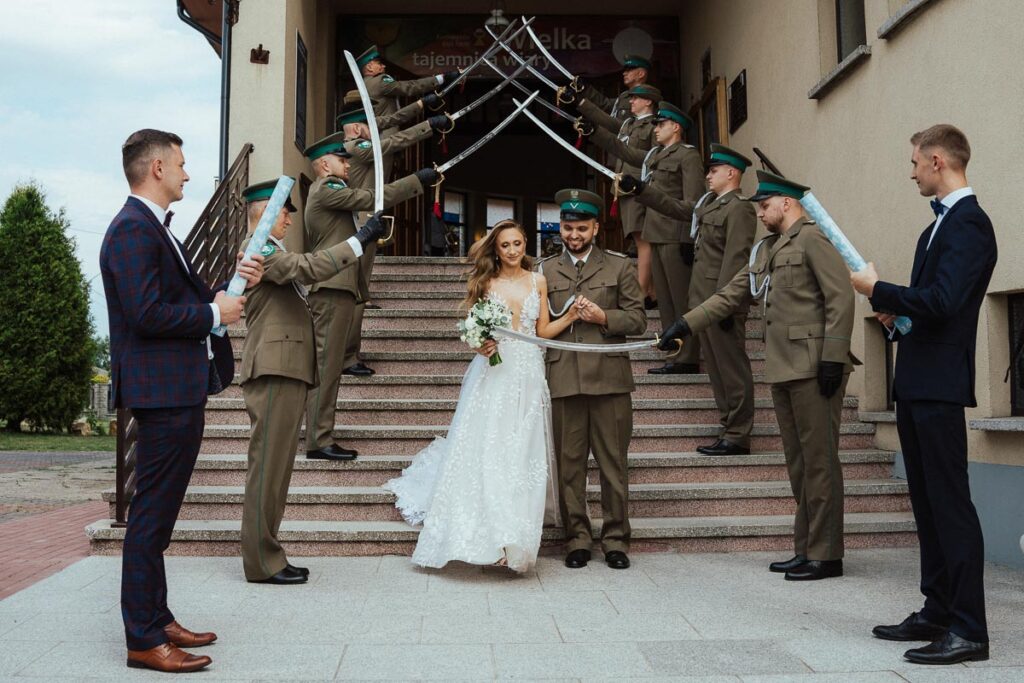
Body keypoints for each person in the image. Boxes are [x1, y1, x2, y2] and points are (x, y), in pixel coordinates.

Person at [100, 129, 263, 673]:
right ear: (156, 168)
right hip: (161, 391)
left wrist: (228, 289)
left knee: (159, 515)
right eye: (181, 164)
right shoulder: (132, 228)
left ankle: (158, 616)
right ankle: (143, 639)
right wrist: (215, 314)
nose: (188, 173)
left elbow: (175, 299)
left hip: (176, 388)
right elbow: (146, 314)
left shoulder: (153, 227)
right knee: (149, 518)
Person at [660, 170, 857, 581]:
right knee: (799, 465)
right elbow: (731, 293)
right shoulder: (767, 249)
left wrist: (833, 357)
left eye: (765, 206)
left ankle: (826, 554)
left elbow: (840, 298)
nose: (761, 214)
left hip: (815, 368)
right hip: (784, 368)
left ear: (787, 203)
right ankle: (806, 548)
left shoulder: (813, 240)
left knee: (819, 463)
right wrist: (685, 324)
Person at [852, 124, 996, 665]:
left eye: (915, 162)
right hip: (916, 380)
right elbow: (927, 309)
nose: (911, 172)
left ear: (937, 161)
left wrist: (878, 289)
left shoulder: (970, 224)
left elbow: (944, 301)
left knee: (950, 506)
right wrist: (895, 316)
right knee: (927, 505)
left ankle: (970, 629)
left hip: (940, 387)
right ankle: (937, 610)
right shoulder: (932, 229)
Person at [384, 220, 578, 572]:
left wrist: (570, 316)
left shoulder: (538, 280)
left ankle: (515, 539)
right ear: (496, 250)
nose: (513, 250)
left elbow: (542, 330)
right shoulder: (486, 283)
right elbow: (473, 332)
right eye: (506, 245)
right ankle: (492, 535)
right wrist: (480, 346)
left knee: (522, 452)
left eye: (518, 243)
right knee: (492, 449)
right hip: (495, 373)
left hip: (529, 372)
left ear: (525, 244)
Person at [237, 179, 387, 586]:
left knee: (276, 471)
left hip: (286, 368)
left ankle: (268, 554)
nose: (289, 219)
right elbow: (309, 268)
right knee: (267, 470)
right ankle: (261, 561)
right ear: (265, 212)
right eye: (284, 212)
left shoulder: (270, 250)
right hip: (274, 369)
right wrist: (358, 242)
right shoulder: (259, 248)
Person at [303, 132, 437, 462]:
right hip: (331, 289)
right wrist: (416, 181)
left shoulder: (330, 190)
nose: (348, 164)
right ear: (324, 165)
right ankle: (318, 439)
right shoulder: (327, 188)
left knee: (330, 367)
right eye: (341, 159)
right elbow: (371, 197)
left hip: (339, 287)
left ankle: (319, 434)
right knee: (327, 368)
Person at [540, 189, 647, 570]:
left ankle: (616, 539)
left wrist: (604, 317)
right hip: (564, 377)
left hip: (610, 380)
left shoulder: (619, 267)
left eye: (581, 228)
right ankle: (577, 539)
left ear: (596, 228)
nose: (574, 235)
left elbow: (638, 319)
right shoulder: (544, 270)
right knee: (569, 466)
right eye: (568, 228)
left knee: (613, 464)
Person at [631, 143, 758, 453]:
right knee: (716, 370)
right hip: (703, 301)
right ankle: (728, 428)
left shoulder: (739, 208)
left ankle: (737, 434)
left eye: (714, 171)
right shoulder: (709, 204)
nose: (708, 176)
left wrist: (725, 306)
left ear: (732, 173)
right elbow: (675, 208)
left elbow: (736, 260)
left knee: (731, 371)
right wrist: (642, 190)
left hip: (720, 303)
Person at [337, 105, 452, 377]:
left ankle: (349, 355)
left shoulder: (353, 149)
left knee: (359, 292)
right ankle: (345, 357)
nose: (375, 131)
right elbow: (393, 142)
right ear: (357, 128)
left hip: (363, 222)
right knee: (354, 294)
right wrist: (427, 126)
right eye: (370, 126)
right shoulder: (357, 147)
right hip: (358, 225)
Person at [614, 102, 706, 374]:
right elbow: (625, 152)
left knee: (680, 300)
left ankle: (688, 357)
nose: (655, 129)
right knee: (665, 301)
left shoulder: (687, 156)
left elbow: (693, 203)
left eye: (661, 124)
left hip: (676, 237)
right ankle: (675, 352)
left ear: (675, 127)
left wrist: (689, 240)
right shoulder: (656, 156)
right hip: (656, 234)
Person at [575, 84, 659, 310]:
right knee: (638, 238)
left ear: (648, 101)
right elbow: (608, 122)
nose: (630, 102)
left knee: (642, 240)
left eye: (635, 99)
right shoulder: (630, 124)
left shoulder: (654, 126)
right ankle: (652, 291)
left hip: (638, 187)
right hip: (624, 187)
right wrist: (581, 103)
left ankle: (641, 294)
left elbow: (654, 159)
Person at [357, 44, 459, 141]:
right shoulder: (380, 81)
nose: (384, 66)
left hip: (377, 136)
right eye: (379, 63)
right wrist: (441, 78)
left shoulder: (364, 84)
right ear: (369, 67)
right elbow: (410, 87)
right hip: (386, 135)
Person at [577, 54, 652, 121]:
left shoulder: (646, 97)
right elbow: (606, 105)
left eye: (629, 70)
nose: (624, 73)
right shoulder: (624, 95)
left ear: (641, 74)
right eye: (625, 70)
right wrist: (583, 88)